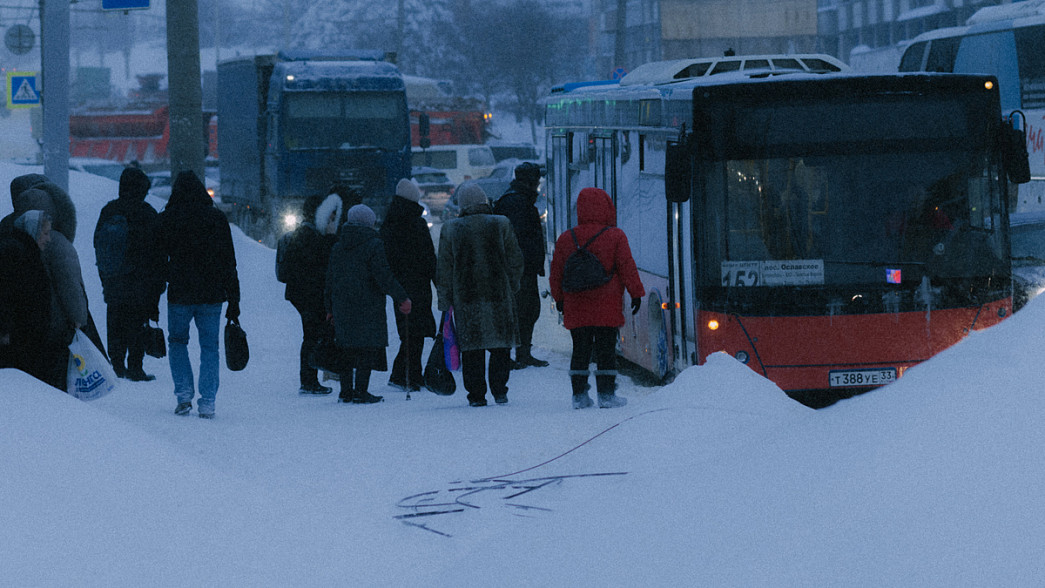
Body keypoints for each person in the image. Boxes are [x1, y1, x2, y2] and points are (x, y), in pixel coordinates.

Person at [549, 187, 644, 409]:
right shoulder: (615, 236)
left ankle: (579, 396)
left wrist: (559, 298)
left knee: (580, 349)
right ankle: (607, 395)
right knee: (605, 350)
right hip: (606, 304)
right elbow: (626, 267)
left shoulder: (566, 238)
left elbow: (557, 273)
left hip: (576, 303)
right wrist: (636, 293)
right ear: (607, 207)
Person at [157, 171, 241, 419]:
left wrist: (156, 292)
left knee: (177, 342)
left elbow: (159, 261)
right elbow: (229, 262)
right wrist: (234, 299)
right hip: (211, 294)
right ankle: (208, 402)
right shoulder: (216, 219)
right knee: (209, 347)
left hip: (180, 293)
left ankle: (183, 396)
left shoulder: (168, 219)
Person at [436, 183, 524, 407]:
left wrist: (445, 300)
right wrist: (511, 286)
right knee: (500, 347)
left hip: (466, 299)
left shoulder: (451, 229)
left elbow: (444, 269)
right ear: (485, 201)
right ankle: (500, 390)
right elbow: (515, 260)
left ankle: (476, 395)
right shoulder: (501, 224)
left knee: (472, 349)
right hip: (498, 296)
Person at [325, 204, 411, 404]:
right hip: (368, 305)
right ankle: (361, 391)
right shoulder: (373, 244)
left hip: (342, 306)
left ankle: (346, 392)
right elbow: (383, 276)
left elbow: (329, 280)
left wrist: (329, 309)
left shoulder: (338, 246)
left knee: (346, 347)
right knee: (366, 347)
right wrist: (402, 297)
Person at [93, 167, 167, 382]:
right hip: (140, 282)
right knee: (137, 323)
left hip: (114, 279)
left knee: (115, 321)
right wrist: (158, 283)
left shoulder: (109, 210)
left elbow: (98, 243)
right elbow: (159, 252)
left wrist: (105, 275)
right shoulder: (147, 213)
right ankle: (135, 367)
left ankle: (116, 364)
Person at [281, 192, 342, 394]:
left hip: (302, 294)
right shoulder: (311, 235)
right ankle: (308, 381)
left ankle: (310, 379)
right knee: (312, 336)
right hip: (308, 296)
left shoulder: (304, 233)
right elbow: (323, 263)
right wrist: (332, 237)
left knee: (312, 335)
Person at [380, 178, 437, 392]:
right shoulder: (417, 224)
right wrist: (437, 281)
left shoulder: (389, 223)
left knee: (408, 332)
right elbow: (429, 257)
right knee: (417, 332)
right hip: (419, 285)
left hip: (400, 286)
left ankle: (409, 374)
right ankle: (406, 375)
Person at [493, 161, 549, 369]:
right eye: (536, 179)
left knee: (526, 311)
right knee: (521, 311)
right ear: (531, 181)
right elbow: (519, 240)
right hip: (518, 270)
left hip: (522, 268)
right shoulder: (517, 203)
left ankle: (520, 353)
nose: (538, 184)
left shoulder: (514, 199)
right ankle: (516, 354)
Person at [0, 210, 53, 387]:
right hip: (19, 339)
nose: (48, 239)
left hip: (25, 337)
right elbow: (5, 294)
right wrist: (5, 330)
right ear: (33, 229)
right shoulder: (15, 252)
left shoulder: (27, 251)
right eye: (45, 233)